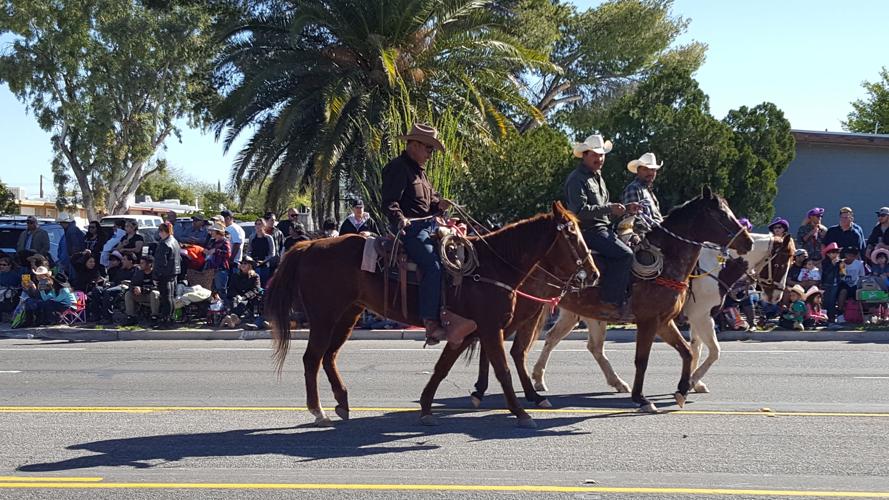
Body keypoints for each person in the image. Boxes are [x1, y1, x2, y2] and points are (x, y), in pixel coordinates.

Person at [380, 122, 475, 346]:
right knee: (432, 266)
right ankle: (430, 322)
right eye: (428, 148)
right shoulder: (398, 167)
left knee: (457, 258)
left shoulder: (420, 173)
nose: (431, 154)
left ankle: (452, 312)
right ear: (413, 145)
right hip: (410, 231)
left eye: (432, 149)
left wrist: (439, 205)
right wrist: (399, 218)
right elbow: (390, 202)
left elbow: (429, 205)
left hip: (429, 227)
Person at [565, 134, 640, 315]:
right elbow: (579, 211)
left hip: (603, 228)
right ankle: (610, 301)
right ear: (584, 155)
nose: (599, 159)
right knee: (625, 255)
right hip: (588, 231)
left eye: (602, 155)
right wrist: (609, 208)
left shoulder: (598, 177)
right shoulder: (576, 179)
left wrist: (625, 209)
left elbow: (603, 209)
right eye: (595, 155)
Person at [622, 152, 663, 225]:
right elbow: (633, 221)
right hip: (646, 235)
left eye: (653, 169)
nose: (650, 172)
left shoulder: (647, 190)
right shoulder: (634, 188)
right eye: (645, 169)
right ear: (638, 171)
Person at [222, 256, 264, 328]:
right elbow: (231, 289)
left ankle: (233, 321)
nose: (243, 265)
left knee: (243, 303)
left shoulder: (255, 276)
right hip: (237, 297)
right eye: (241, 263)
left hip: (250, 298)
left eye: (245, 263)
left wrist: (244, 297)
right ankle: (233, 319)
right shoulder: (235, 275)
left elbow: (256, 289)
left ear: (250, 266)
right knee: (234, 301)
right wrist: (237, 296)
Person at [153, 222, 181, 329]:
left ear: (163, 231)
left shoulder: (164, 244)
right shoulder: (175, 241)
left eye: (160, 231)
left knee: (166, 298)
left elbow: (160, 263)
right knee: (171, 297)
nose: (159, 233)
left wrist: (156, 276)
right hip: (174, 273)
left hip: (165, 275)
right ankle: (171, 319)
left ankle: (165, 320)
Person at [123, 255, 160, 325]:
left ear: (150, 264)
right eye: (140, 263)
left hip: (153, 297)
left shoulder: (157, 273)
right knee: (128, 294)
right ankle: (131, 317)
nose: (140, 265)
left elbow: (158, 287)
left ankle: (154, 317)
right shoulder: (139, 273)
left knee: (154, 293)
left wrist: (142, 289)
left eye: (143, 263)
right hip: (141, 295)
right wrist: (135, 288)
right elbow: (131, 284)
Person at [835, 247, 865, 324]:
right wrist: (842, 266)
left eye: (852, 255)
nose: (850, 257)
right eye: (848, 255)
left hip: (856, 284)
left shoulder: (859, 264)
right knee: (843, 292)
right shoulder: (841, 263)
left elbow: (862, 276)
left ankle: (862, 314)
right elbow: (841, 276)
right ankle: (840, 314)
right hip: (843, 284)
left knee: (861, 293)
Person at [204, 222, 232, 294]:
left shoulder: (225, 241)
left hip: (220, 269)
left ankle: (224, 305)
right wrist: (206, 251)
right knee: (211, 290)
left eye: (213, 231)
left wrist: (216, 251)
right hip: (211, 269)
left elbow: (228, 254)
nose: (211, 232)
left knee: (221, 291)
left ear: (218, 232)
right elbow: (208, 249)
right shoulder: (212, 241)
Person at [56, 212, 85, 277]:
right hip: (73, 261)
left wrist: (73, 258)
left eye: (61, 223)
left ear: (65, 222)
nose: (60, 225)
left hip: (73, 262)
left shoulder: (71, 232)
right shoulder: (71, 230)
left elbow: (75, 248)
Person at [248, 218, 276, 286]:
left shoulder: (268, 238)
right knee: (254, 285)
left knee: (263, 285)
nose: (257, 226)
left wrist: (263, 261)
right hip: (254, 265)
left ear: (264, 225)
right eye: (256, 224)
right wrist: (251, 260)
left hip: (265, 265)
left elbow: (272, 253)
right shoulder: (252, 237)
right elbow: (249, 251)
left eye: (260, 224)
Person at [820, 242, 842, 323]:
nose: (835, 254)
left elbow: (843, 273)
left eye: (836, 252)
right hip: (826, 284)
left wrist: (840, 266)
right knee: (826, 301)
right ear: (828, 254)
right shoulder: (825, 262)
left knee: (832, 301)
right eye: (833, 252)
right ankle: (824, 317)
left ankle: (832, 317)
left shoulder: (840, 262)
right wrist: (832, 264)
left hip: (836, 284)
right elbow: (825, 272)